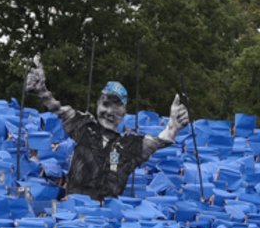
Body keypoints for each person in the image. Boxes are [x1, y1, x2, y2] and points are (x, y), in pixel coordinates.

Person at [23, 59, 188, 200]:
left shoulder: (130, 145)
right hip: (73, 211)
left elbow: (158, 142)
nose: (110, 112)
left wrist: (173, 127)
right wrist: (42, 91)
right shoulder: (84, 128)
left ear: (124, 112)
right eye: (106, 104)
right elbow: (59, 109)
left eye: (117, 106)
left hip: (106, 217)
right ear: (97, 105)